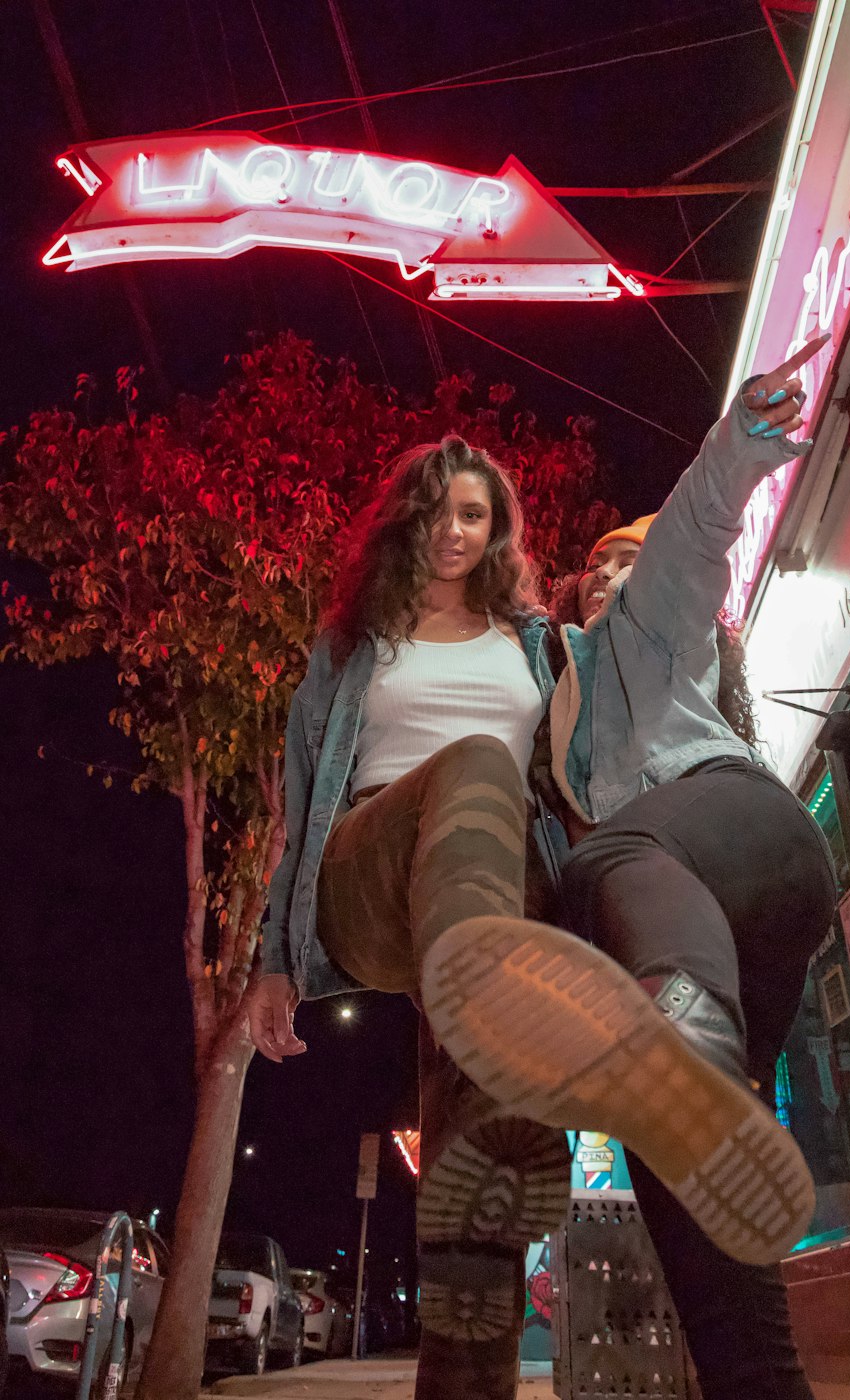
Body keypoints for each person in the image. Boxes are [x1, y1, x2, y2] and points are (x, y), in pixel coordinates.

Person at [421, 339, 838, 1399]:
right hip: (729, 925)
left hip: (731, 835)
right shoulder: (557, 689)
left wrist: (736, 451)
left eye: (623, 565)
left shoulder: (642, 640)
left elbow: (692, 538)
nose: (612, 579)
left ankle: (680, 1047)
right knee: (692, 1206)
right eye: (599, 567)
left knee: (611, 856)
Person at [246, 435, 572, 1397]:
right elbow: (301, 808)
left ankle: (467, 1380)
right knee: (477, 764)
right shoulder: (352, 648)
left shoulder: (536, 643)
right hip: (372, 869)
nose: (454, 532)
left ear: (496, 529)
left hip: (498, 891)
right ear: (406, 523)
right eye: (436, 513)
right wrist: (276, 957)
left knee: (485, 1152)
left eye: (473, 515)